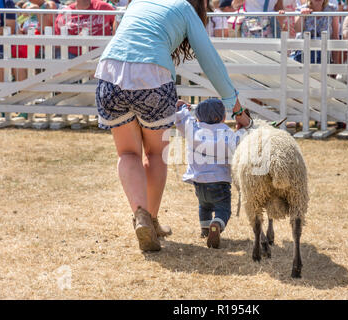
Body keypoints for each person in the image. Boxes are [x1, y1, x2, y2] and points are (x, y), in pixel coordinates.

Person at [94, 0, 250, 252]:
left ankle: (141, 216)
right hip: (152, 75)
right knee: (155, 154)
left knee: (127, 154)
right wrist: (236, 107)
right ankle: (151, 220)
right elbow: (210, 61)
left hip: (109, 73)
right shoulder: (185, 8)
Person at [175, 98, 250, 248]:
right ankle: (217, 224)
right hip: (220, 183)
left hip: (199, 182)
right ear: (223, 118)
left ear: (198, 117)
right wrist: (242, 128)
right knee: (223, 209)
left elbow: (183, 120)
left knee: (204, 206)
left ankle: (205, 229)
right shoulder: (228, 134)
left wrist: (183, 107)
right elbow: (242, 138)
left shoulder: (193, 129)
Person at [0, 0, 16, 82]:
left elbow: (10, 29)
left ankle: (1, 94)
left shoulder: (6, 2)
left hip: (1, 49)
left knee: (0, 67)